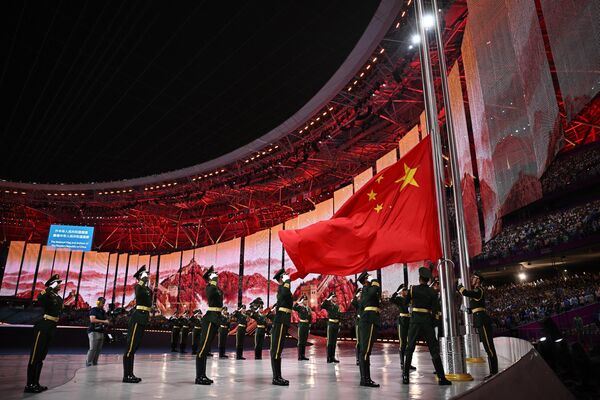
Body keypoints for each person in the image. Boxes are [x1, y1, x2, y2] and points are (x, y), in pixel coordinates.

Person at [402, 267, 451, 386]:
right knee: (434, 350)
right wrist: (433, 323)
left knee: (410, 348)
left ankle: (406, 377)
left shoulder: (413, 289)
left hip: (415, 322)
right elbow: (436, 310)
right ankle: (441, 378)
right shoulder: (432, 292)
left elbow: (404, 304)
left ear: (419, 278)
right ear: (428, 280)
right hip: (427, 322)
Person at [24, 274, 63, 393]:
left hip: (51, 326)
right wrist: (49, 288)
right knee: (35, 356)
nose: (60, 285)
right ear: (52, 284)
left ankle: (36, 383)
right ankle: (29, 384)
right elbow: (39, 298)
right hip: (44, 325)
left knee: (41, 357)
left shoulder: (57, 297)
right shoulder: (47, 294)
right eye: (57, 283)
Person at [457, 272, 498, 380]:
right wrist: (467, 310)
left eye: (474, 278)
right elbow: (476, 307)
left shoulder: (478, 290)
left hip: (482, 320)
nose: (472, 279)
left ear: (478, 280)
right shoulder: (476, 292)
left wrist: (459, 285)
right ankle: (493, 371)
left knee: (489, 347)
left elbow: (465, 292)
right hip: (479, 319)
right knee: (487, 346)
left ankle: (494, 372)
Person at [123, 265, 152, 383]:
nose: (147, 276)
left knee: (135, 347)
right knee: (130, 347)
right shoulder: (139, 287)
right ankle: (127, 375)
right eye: (145, 274)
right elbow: (139, 292)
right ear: (140, 276)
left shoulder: (146, 289)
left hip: (143, 317)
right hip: (137, 317)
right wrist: (142, 279)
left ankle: (130, 374)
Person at [195, 266, 223, 385]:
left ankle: (203, 375)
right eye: (214, 274)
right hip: (210, 318)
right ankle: (199, 377)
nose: (216, 275)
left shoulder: (215, 287)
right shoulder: (210, 287)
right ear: (209, 278)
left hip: (216, 317)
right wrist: (213, 281)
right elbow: (214, 294)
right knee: (203, 348)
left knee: (206, 349)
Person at [357, 272, 381, 387]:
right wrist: (374, 281)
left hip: (366, 320)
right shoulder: (367, 289)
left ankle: (365, 378)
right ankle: (365, 379)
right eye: (369, 276)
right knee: (365, 351)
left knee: (365, 351)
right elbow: (374, 290)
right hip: (369, 320)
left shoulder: (364, 291)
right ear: (366, 280)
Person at [270, 268, 292, 386]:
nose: (288, 278)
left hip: (283, 319)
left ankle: (278, 376)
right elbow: (285, 293)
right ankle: (276, 378)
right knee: (276, 350)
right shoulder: (282, 288)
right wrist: (287, 282)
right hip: (281, 320)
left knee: (278, 350)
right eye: (285, 277)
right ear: (281, 279)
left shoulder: (284, 288)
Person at [390, 284, 415, 371]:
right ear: (401, 291)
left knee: (409, 343)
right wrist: (397, 291)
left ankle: (408, 363)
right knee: (403, 343)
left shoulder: (409, 299)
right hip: (402, 321)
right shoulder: (399, 299)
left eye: (406, 290)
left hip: (409, 320)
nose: (406, 291)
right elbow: (391, 300)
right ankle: (402, 363)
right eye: (404, 290)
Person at [86, 296, 110, 367]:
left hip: (101, 331)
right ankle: (88, 362)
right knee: (92, 348)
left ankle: (94, 362)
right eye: (102, 303)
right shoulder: (94, 310)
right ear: (98, 302)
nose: (103, 304)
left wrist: (107, 322)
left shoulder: (103, 311)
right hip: (93, 331)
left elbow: (106, 321)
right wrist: (104, 321)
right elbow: (92, 320)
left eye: (103, 303)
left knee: (98, 349)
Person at [321, 292, 341, 363]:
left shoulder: (337, 306)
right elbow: (322, 306)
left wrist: (339, 325)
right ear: (331, 298)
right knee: (330, 342)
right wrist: (328, 299)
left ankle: (333, 357)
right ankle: (329, 358)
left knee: (334, 342)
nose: (335, 298)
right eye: (333, 297)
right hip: (331, 324)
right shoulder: (328, 304)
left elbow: (339, 316)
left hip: (336, 324)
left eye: (335, 297)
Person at [293, 295, 311, 361]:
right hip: (302, 325)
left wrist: (309, 327)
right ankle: (300, 356)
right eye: (304, 300)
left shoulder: (308, 308)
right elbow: (293, 308)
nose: (305, 301)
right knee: (300, 341)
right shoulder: (299, 308)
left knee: (304, 341)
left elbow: (310, 318)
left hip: (306, 325)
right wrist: (299, 302)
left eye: (306, 300)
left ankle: (303, 355)